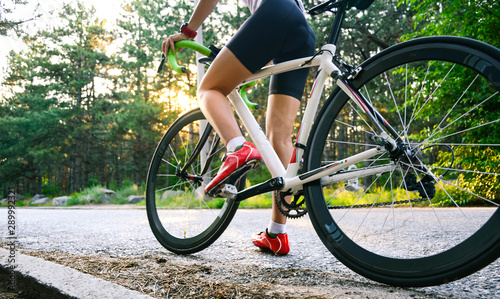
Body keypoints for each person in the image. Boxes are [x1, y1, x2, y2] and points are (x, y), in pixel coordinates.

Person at [162, 0, 315, 255]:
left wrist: (187, 32)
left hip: (275, 12)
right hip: (302, 31)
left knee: (208, 89)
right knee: (279, 138)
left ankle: (237, 148)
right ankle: (276, 233)